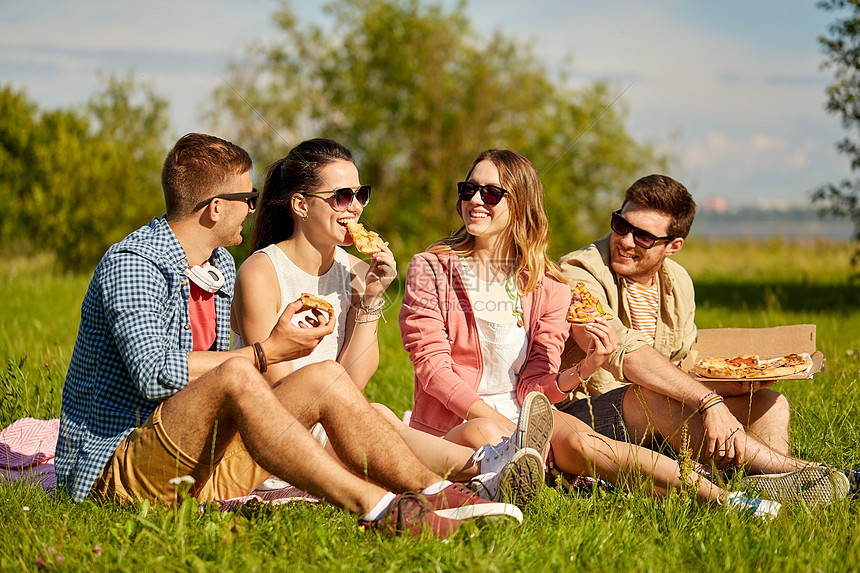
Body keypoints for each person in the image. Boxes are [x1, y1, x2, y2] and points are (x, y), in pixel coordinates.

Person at [54, 133, 522, 538]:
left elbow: (345, 382)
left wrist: (370, 298)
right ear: (215, 209)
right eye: (247, 199)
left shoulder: (216, 265)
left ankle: (440, 494)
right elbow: (155, 376)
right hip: (121, 469)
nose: (255, 208)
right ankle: (378, 507)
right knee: (239, 375)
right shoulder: (133, 264)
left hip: (203, 461)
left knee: (325, 378)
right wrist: (266, 352)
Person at [399, 149, 782, 519]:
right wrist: (507, 427)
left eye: (492, 193)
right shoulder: (431, 269)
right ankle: (513, 475)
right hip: (458, 423)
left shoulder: (547, 283)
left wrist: (585, 368)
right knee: (490, 431)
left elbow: (534, 383)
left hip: (526, 415)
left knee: (585, 442)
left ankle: (731, 501)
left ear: (521, 204)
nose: (476, 200)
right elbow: (432, 370)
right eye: (469, 189)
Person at [230, 138, 550, 507]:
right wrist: (352, 423)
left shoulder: (354, 272)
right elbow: (278, 389)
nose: (354, 208)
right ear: (301, 204)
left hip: (337, 425)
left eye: (359, 194)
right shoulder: (261, 271)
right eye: (340, 196)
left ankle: (485, 470)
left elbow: (354, 381)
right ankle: (486, 470)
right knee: (377, 417)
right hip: (277, 438)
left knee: (406, 419)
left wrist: (370, 298)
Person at [556, 174, 853, 505]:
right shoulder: (579, 270)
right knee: (650, 395)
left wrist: (729, 387)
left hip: (653, 420)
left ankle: (770, 484)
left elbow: (681, 366)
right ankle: (812, 472)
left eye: (643, 237)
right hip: (583, 417)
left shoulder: (678, 282)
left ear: (673, 245)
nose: (625, 241)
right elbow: (618, 350)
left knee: (771, 404)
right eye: (621, 225)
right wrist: (709, 401)